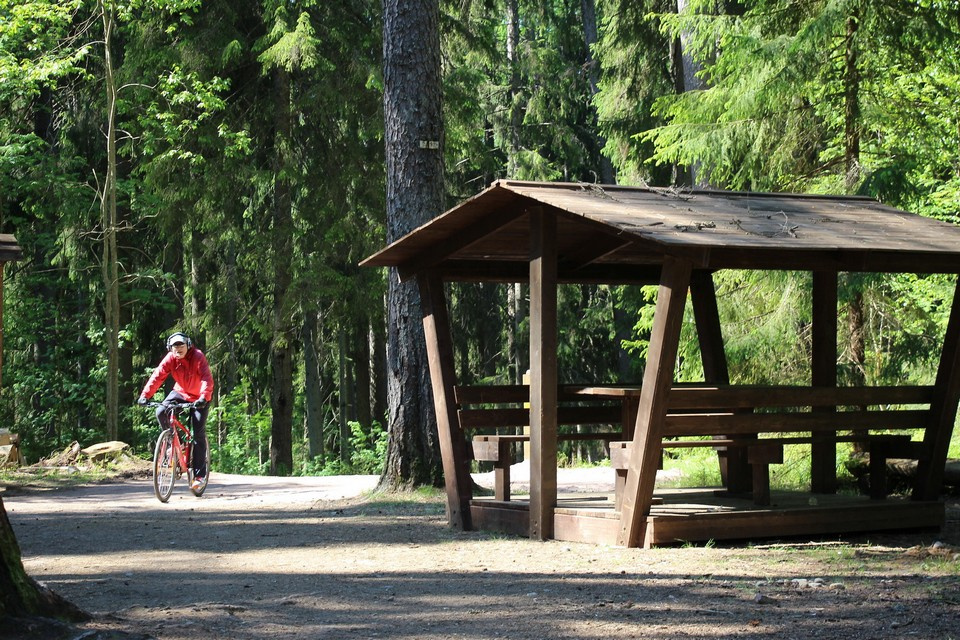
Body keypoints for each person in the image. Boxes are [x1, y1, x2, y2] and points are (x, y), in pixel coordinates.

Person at [138, 331, 214, 491]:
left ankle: (199, 475)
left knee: (198, 433)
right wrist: (145, 395)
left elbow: (207, 378)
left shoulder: (198, 356)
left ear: (188, 345)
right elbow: (157, 376)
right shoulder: (170, 359)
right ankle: (172, 440)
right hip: (181, 392)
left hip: (200, 396)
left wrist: (203, 397)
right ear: (170, 348)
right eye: (174, 346)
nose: (178, 348)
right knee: (161, 411)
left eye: (181, 345)